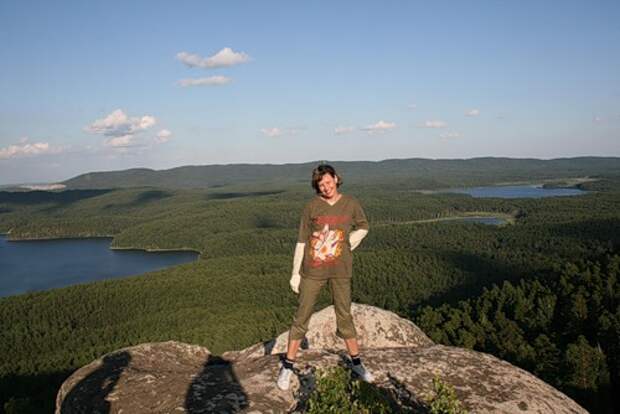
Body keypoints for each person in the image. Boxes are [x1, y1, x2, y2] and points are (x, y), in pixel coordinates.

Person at [276, 164, 374, 391]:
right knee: (302, 315)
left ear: (336, 179)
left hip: (341, 270)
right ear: (316, 187)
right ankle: (288, 366)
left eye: (329, 182)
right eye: (321, 185)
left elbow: (364, 226)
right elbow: (302, 241)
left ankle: (357, 363)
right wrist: (295, 273)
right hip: (313, 270)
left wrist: (348, 242)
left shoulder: (350, 203)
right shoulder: (311, 207)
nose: (326, 187)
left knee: (344, 315)